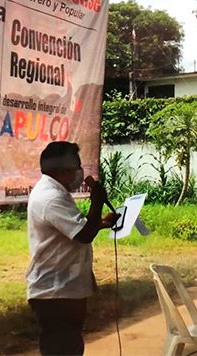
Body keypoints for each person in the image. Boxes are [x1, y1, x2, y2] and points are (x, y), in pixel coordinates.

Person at [26, 141, 118, 356]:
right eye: (77, 167)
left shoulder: (55, 192)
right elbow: (84, 235)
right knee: (63, 349)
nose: (80, 172)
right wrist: (97, 202)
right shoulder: (50, 197)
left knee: (70, 347)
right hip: (55, 292)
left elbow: (74, 227)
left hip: (63, 289)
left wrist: (101, 222)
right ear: (61, 169)